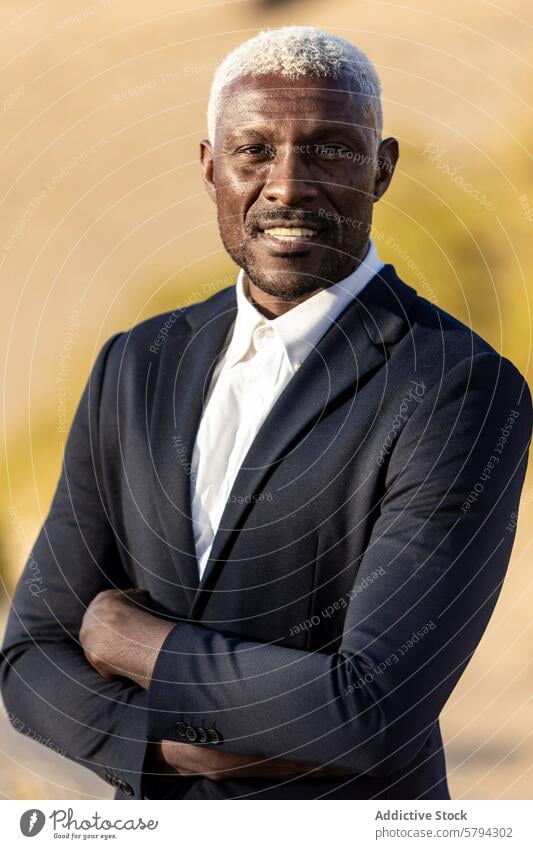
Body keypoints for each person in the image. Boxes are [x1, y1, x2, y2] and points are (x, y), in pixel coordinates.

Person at [1, 26, 531, 801]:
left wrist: (134, 640)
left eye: (329, 150)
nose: (288, 184)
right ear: (210, 166)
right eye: (254, 150)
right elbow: (30, 663)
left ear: (381, 170)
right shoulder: (137, 363)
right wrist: (186, 753)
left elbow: (370, 710)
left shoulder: (461, 387)